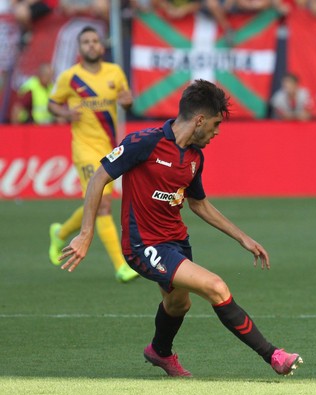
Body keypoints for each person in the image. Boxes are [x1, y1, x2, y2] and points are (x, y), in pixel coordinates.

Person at [58, 79, 303, 378]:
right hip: (144, 246)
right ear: (199, 119)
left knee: (178, 304)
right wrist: (86, 234)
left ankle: (159, 352)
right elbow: (98, 179)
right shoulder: (143, 142)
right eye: (214, 124)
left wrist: (243, 238)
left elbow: (199, 204)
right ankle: (274, 356)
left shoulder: (195, 158)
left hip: (176, 242)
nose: (216, 132)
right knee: (216, 287)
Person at [48, 26, 139, 283]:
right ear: (80, 48)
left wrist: (128, 101)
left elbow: (127, 100)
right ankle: (121, 266)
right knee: (104, 206)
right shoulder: (70, 77)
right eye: (86, 41)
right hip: (84, 148)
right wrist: (65, 114)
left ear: (101, 46)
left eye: (94, 41)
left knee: (96, 203)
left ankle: (61, 232)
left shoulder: (115, 72)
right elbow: (52, 103)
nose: (91, 45)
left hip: (110, 148)